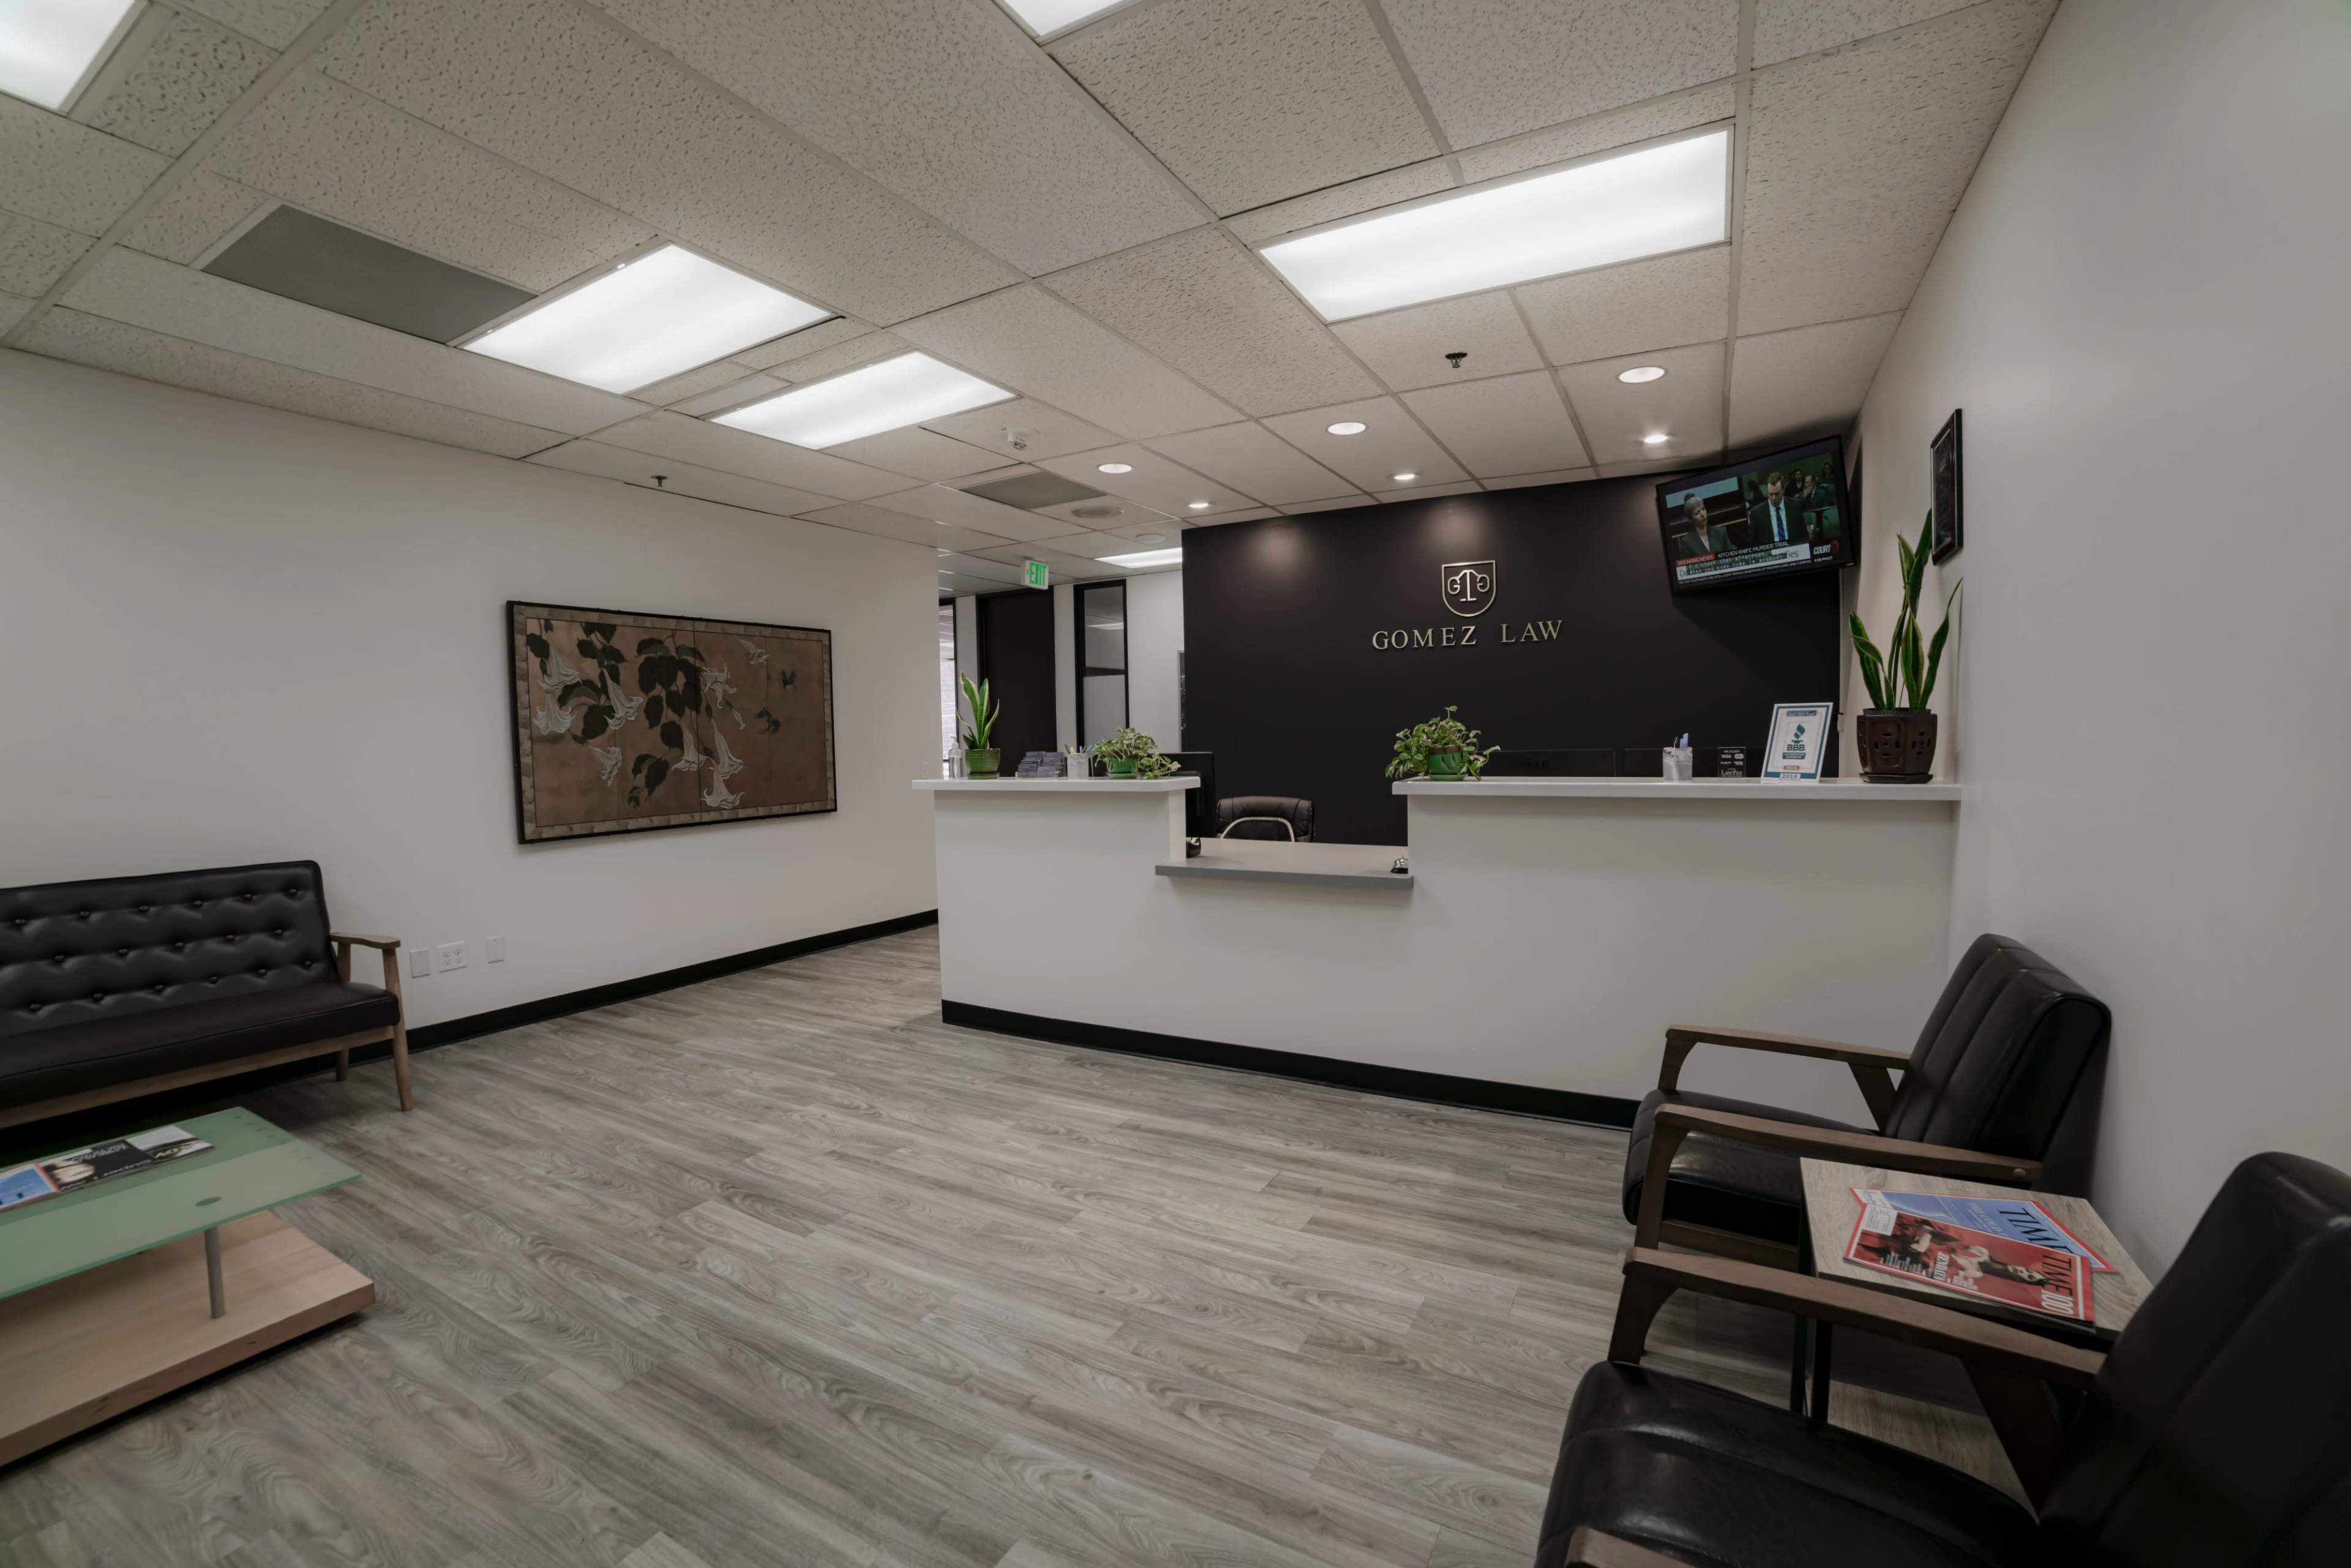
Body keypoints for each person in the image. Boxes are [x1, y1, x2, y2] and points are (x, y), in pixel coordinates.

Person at [1747, 471, 1805, 546]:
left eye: (1777, 494)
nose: (1774, 498)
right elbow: (1754, 543)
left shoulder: (1796, 505)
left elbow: (1803, 534)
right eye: (1771, 494)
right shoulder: (1757, 513)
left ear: (1784, 490)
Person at [1673, 495, 1729, 559]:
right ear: (1691, 520)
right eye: (1697, 513)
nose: (1703, 514)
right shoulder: (1686, 542)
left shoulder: (1720, 532)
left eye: (1703, 509)